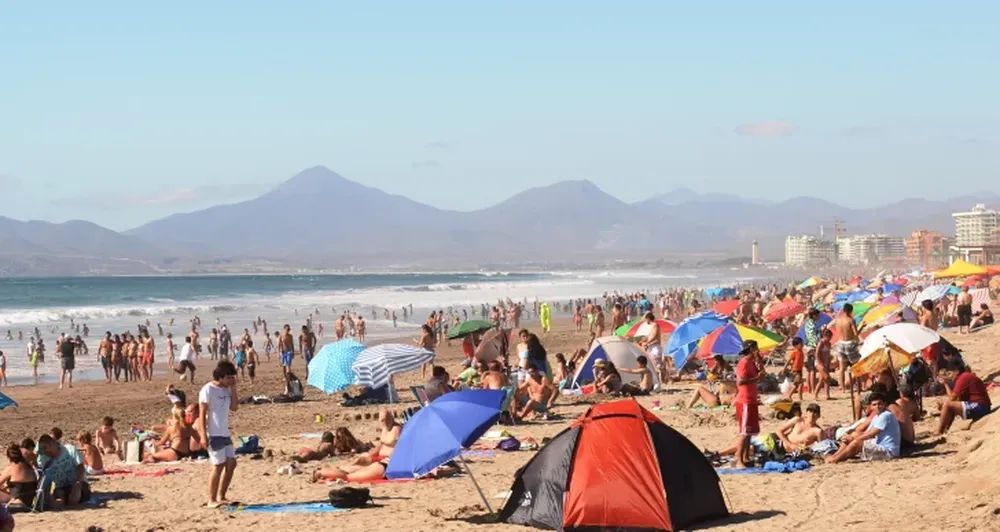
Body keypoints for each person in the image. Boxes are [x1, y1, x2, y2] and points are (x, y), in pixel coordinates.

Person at [198, 361, 239, 508]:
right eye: (229, 377)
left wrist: (233, 389)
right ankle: (211, 499)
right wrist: (203, 435)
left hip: (225, 433)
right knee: (218, 465)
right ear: (221, 376)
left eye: (232, 377)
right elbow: (202, 414)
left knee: (231, 463)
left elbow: (234, 407)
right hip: (213, 433)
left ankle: (222, 496)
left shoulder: (227, 390)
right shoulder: (208, 389)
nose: (231, 380)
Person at [826, 392, 900, 463]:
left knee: (856, 442)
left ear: (885, 404)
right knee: (854, 435)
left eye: (879, 404)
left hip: (887, 451)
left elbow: (872, 434)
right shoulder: (877, 416)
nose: (877, 406)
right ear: (870, 406)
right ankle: (836, 455)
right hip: (878, 444)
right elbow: (867, 432)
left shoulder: (886, 415)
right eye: (874, 405)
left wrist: (853, 439)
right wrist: (852, 436)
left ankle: (836, 459)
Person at [935, 359, 992, 435]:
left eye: (950, 374)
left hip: (981, 406)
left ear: (956, 371)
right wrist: (945, 384)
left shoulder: (963, 377)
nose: (950, 377)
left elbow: (952, 398)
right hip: (982, 405)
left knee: (947, 405)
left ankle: (939, 432)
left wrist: (945, 385)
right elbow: (955, 399)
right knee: (949, 406)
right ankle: (945, 429)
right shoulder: (964, 377)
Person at [731, 340, 763, 468]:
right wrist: (756, 378)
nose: (757, 350)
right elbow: (741, 381)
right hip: (745, 400)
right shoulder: (743, 362)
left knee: (750, 431)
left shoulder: (751, 362)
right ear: (750, 349)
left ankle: (745, 457)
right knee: (744, 432)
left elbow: (760, 375)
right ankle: (739, 459)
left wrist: (760, 362)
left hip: (752, 399)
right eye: (755, 348)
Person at [37, 434, 89, 508]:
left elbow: (81, 467)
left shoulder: (69, 450)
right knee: (57, 502)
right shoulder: (46, 459)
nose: (44, 452)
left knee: (75, 498)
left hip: (77, 482)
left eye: (45, 448)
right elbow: (46, 479)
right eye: (42, 450)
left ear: (52, 443)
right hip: (61, 488)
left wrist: (77, 485)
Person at [0, 443, 38, 509]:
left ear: (9, 457)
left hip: (15, 503)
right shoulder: (29, 468)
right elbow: (22, 487)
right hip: (28, 503)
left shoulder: (11, 468)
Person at [832, 303, 860, 391]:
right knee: (856, 366)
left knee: (841, 368)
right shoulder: (851, 320)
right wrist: (861, 327)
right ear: (850, 311)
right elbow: (855, 334)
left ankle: (843, 387)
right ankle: (857, 387)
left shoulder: (837, 320)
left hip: (840, 343)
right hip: (850, 343)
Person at [814, 329, 833, 401]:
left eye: (830, 336)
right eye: (828, 336)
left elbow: (828, 354)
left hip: (825, 362)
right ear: (824, 336)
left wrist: (828, 363)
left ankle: (819, 395)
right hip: (818, 362)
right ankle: (825, 394)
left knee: (822, 379)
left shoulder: (829, 344)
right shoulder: (821, 343)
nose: (829, 338)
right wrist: (821, 364)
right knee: (827, 377)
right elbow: (817, 354)